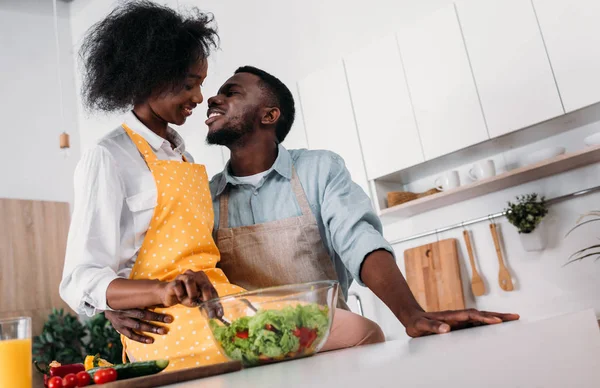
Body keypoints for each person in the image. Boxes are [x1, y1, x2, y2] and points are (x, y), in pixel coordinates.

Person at [106, 66, 519, 345]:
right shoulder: (205, 193)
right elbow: (163, 265)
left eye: (231, 92)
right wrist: (116, 307)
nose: (211, 98)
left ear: (270, 115)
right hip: (249, 353)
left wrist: (410, 314)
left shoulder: (319, 169)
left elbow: (360, 242)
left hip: (329, 342)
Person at [60, 1, 245, 371]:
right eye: (189, 84)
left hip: (218, 302)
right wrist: (129, 299)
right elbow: (82, 276)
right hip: (168, 325)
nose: (198, 98)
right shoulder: (108, 156)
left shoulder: (184, 158)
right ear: (150, 76)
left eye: (200, 85)